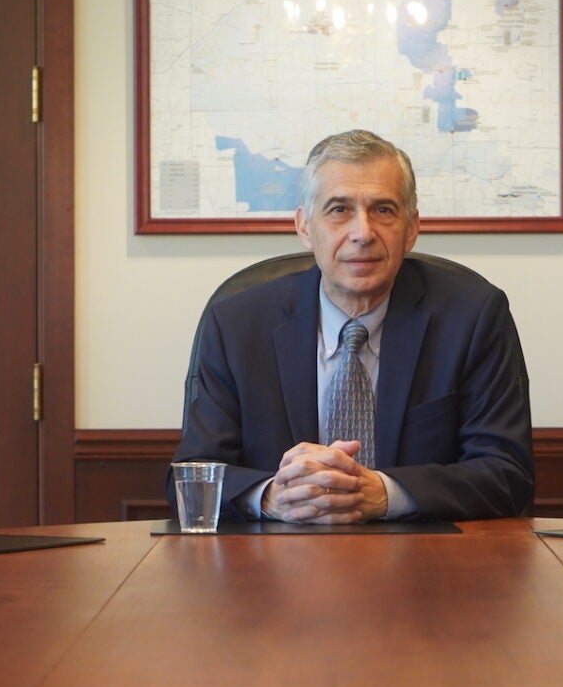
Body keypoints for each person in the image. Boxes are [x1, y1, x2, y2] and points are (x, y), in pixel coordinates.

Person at [171, 129, 533, 523]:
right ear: (305, 226)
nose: (362, 233)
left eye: (383, 210)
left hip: (426, 564)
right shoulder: (237, 323)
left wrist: (383, 493)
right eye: (339, 210)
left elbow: (507, 475)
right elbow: (192, 476)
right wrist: (272, 496)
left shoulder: (472, 315)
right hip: (274, 565)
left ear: (411, 228)